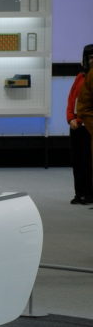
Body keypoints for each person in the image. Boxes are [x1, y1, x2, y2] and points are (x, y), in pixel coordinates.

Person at [72, 44, 93, 206]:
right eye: (90, 57)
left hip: (88, 125)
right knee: (78, 162)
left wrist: (80, 119)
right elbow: (72, 100)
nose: (92, 60)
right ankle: (80, 193)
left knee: (88, 162)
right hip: (78, 125)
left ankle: (89, 194)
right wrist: (70, 119)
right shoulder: (80, 77)